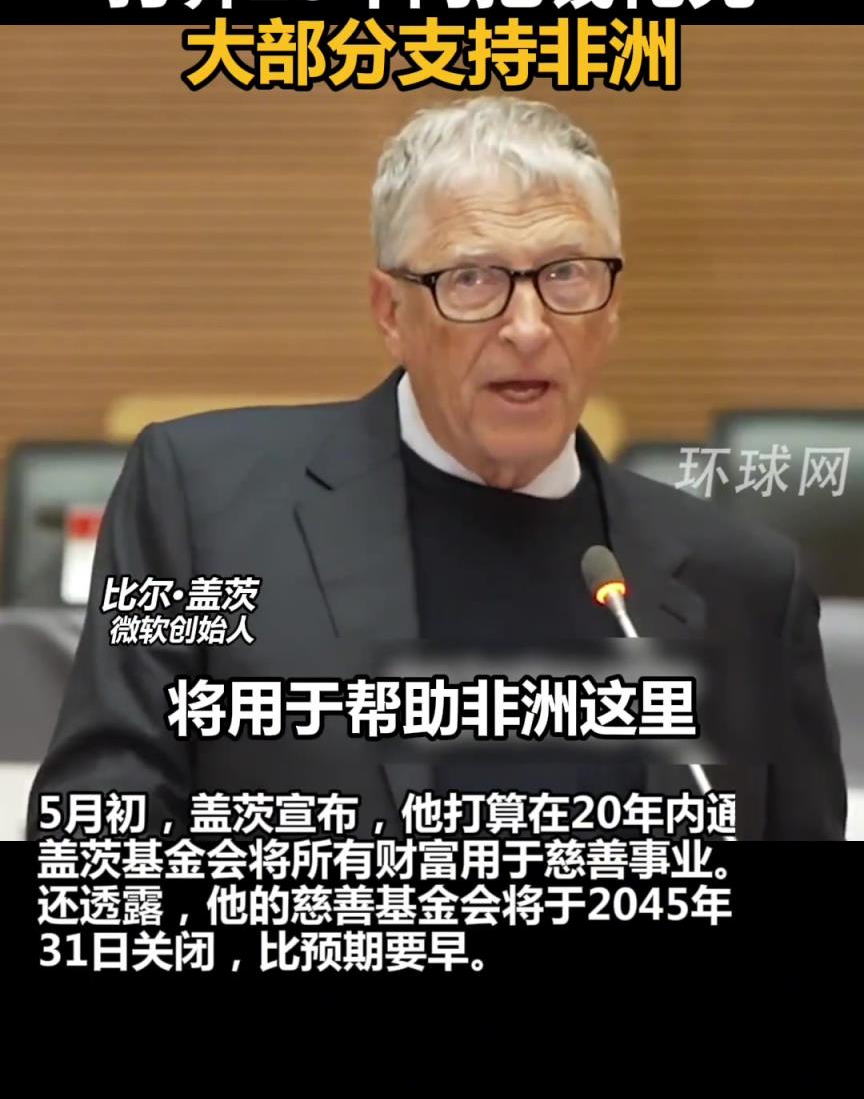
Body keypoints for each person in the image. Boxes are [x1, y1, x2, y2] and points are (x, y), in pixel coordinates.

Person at [27, 98, 847, 840]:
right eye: (474, 279)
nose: (528, 328)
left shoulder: (747, 589)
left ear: (613, 306)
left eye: (566, 274)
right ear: (391, 311)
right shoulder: (200, 507)